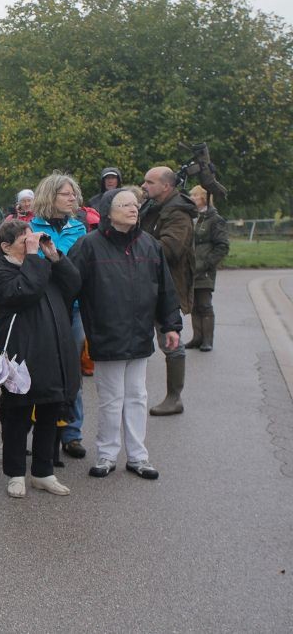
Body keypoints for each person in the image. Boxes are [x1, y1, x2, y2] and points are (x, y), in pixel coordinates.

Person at [69, 189, 182, 480]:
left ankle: (138, 456)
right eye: (125, 205)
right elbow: (69, 285)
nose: (133, 209)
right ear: (109, 211)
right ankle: (106, 455)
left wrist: (171, 325)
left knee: (137, 396)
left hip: (140, 334)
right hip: (107, 333)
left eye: (135, 204)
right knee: (110, 398)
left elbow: (166, 289)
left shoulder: (150, 245)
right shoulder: (88, 246)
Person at [0, 219, 81, 497]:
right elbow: (27, 291)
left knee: (50, 412)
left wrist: (54, 256)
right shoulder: (0, 273)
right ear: (5, 246)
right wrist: (33, 258)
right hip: (21, 356)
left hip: (53, 352)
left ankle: (43, 472)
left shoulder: (43, 265)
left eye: (31, 238)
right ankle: (15, 473)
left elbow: (74, 285)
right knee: (16, 415)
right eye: (23, 240)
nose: (31, 244)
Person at [29, 173, 89, 459]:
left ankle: (72, 433)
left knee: (73, 371)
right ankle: (40, 432)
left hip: (74, 310)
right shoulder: (30, 228)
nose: (72, 199)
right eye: (66, 194)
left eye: (73, 194)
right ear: (50, 197)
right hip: (42, 311)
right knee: (40, 370)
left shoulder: (81, 229)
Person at [141, 166, 197, 416]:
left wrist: (135, 245)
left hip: (167, 288)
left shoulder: (178, 213)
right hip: (147, 284)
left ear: (166, 186)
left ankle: (174, 398)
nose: (144, 186)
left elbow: (171, 249)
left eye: (149, 182)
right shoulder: (153, 207)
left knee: (171, 342)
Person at [186, 185, 230, 351]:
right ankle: (197, 338)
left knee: (204, 304)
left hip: (204, 269)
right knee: (194, 305)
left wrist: (206, 264)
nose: (191, 198)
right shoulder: (193, 217)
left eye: (194, 196)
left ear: (203, 198)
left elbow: (222, 246)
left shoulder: (214, 219)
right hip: (191, 268)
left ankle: (207, 340)